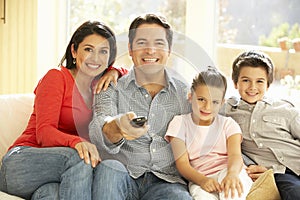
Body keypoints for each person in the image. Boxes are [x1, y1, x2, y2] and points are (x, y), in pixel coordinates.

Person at [0, 21, 127, 200]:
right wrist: (77, 142)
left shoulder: (98, 88)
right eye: (88, 49)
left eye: (103, 52)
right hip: (21, 163)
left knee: (50, 195)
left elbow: (133, 75)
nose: (95, 58)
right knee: (80, 158)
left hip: (57, 175)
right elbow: (44, 133)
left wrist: (115, 71)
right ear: (74, 51)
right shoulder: (56, 77)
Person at [89, 13, 192, 200]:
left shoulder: (187, 94)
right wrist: (118, 126)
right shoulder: (111, 87)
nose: (150, 50)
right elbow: (100, 125)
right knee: (108, 170)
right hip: (123, 175)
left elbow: (214, 132)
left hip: (167, 181)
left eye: (159, 43)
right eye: (142, 42)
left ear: (169, 49)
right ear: (130, 49)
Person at [221, 50, 300, 200]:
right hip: (278, 173)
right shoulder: (227, 110)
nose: (252, 87)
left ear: (268, 85)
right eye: (245, 80)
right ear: (235, 83)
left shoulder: (284, 109)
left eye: (259, 81)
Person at [165, 67, 253, 200]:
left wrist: (232, 174)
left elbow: (235, 155)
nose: (207, 107)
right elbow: (182, 164)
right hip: (199, 177)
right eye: (201, 99)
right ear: (190, 96)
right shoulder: (179, 123)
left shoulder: (228, 124)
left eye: (215, 102)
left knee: (232, 193)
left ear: (222, 103)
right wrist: (202, 181)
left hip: (230, 171)